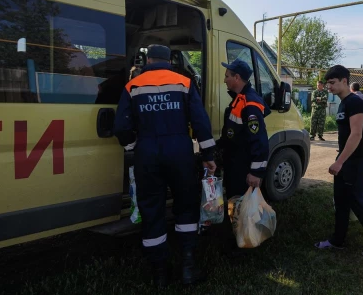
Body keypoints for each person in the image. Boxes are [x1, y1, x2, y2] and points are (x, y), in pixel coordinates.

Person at [113, 44, 217, 288]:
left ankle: (159, 274)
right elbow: (200, 122)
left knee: (152, 210)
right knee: (186, 206)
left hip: (147, 153)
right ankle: (188, 268)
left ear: (148, 60)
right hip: (180, 151)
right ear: (170, 60)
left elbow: (121, 128)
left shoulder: (132, 85)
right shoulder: (184, 82)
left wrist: (132, 146)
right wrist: (208, 154)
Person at [314, 65, 363, 258]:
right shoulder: (343, 103)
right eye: (328, 83)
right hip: (346, 159)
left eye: (332, 83)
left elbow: (356, 135)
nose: (329, 87)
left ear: (344, 81)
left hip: (356, 162)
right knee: (340, 202)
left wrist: (339, 162)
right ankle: (337, 240)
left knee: (357, 203)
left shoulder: (355, 102)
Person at [216, 58, 270, 256]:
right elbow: (234, 133)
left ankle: (246, 243)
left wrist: (256, 171)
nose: (225, 80)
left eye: (227, 76)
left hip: (243, 166)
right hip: (234, 163)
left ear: (237, 78)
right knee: (236, 204)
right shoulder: (239, 99)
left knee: (242, 206)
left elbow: (260, 142)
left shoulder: (250, 103)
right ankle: (239, 238)